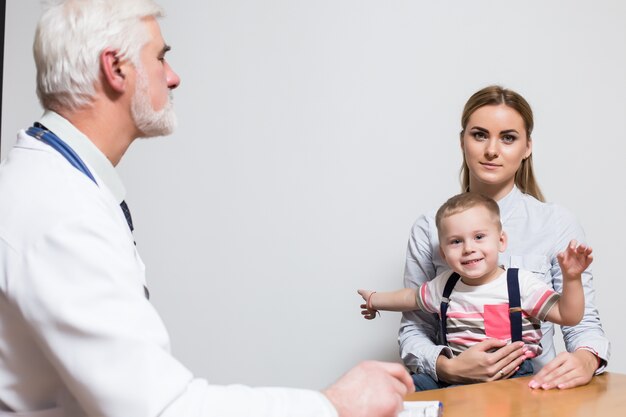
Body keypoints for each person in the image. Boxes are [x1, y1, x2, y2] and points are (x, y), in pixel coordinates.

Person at [0, 1, 413, 416]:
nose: (174, 77)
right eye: (160, 57)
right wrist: (334, 406)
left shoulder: (56, 185)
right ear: (116, 68)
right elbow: (158, 410)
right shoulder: (61, 210)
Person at [398, 85, 610, 391]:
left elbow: (582, 322)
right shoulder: (429, 227)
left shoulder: (556, 223)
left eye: (508, 137)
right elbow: (414, 328)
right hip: (457, 396)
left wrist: (587, 359)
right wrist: (449, 367)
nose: (492, 150)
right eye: (479, 135)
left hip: (535, 393)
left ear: (527, 147)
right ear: (462, 142)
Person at [358, 192, 592, 389]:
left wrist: (572, 278)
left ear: (501, 241)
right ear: (443, 252)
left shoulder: (521, 283)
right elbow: (410, 297)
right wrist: (375, 300)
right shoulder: (445, 284)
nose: (469, 248)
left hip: (512, 377)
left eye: (479, 237)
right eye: (456, 242)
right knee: (404, 388)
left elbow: (568, 316)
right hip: (457, 375)